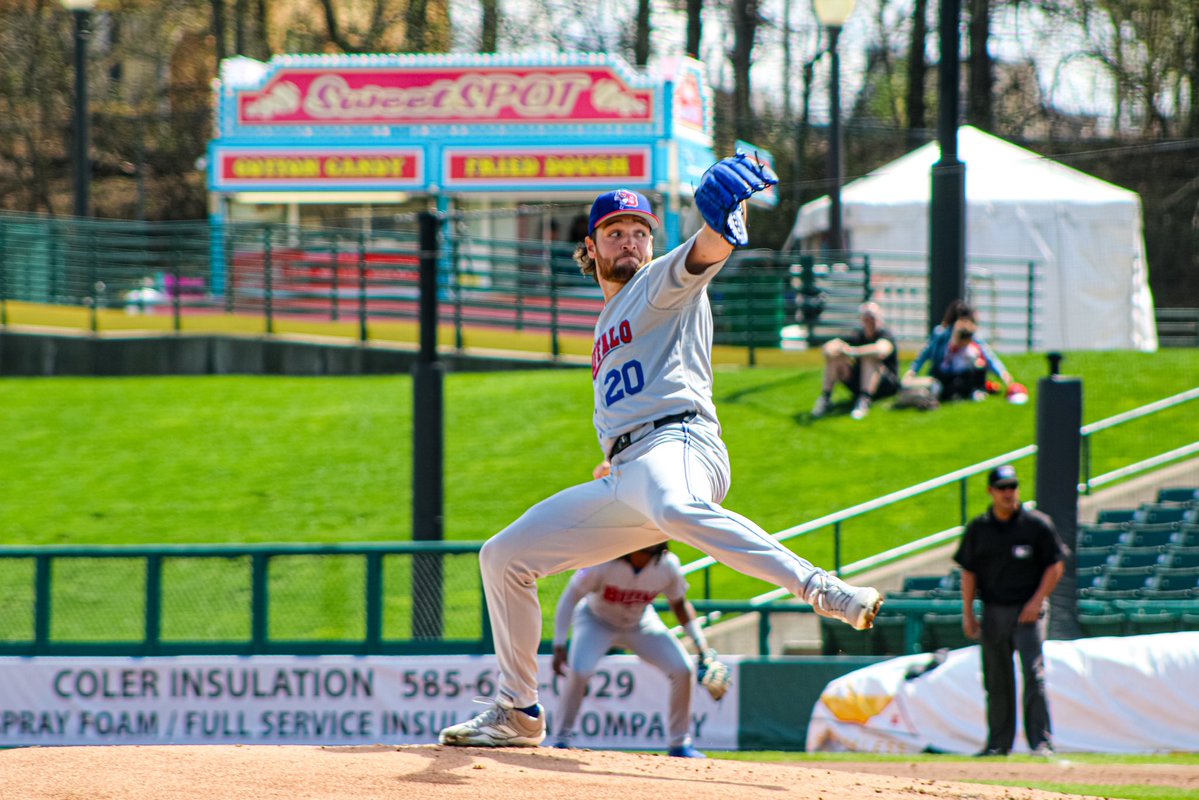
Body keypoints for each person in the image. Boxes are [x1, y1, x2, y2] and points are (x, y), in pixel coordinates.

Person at [437, 155, 883, 749]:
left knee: (672, 507)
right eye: (615, 232)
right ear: (590, 248)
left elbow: (708, 248)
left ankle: (823, 589)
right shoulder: (603, 324)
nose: (630, 240)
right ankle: (518, 709)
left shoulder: (660, 282)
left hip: (682, 440)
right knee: (504, 557)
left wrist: (725, 221)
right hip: (630, 472)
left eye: (640, 231)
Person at [551, 543, 710, 757]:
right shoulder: (603, 559)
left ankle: (679, 743)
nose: (642, 556)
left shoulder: (667, 565)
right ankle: (561, 739)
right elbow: (571, 596)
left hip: (640, 623)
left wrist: (701, 645)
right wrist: (559, 643)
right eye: (640, 549)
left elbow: (679, 604)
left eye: (649, 551)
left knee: (683, 669)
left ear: (657, 552)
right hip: (596, 621)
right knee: (580, 671)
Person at [953, 464, 1067, 757]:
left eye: (1013, 486)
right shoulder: (979, 528)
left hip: (1028, 611)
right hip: (994, 610)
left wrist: (1037, 601)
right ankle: (997, 744)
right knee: (996, 677)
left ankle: (1040, 743)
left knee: (1033, 672)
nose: (1008, 493)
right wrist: (968, 612)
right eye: (1002, 487)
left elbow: (1056, 565)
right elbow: (969, 572)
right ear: (991, 491)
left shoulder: (1036, 524)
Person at [904, 300, 1013, 403]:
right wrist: (913, 371)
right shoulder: (941, 334)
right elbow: (926, 353)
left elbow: (988, 357)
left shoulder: (971, 335)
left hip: (962, 374)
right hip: (943, 374)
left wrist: (1003, 374)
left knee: (979, 366)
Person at [810, 301, 899, 420]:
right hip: (860, 381)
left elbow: (881, 350)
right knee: (836, 359)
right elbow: (829, 349)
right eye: (866, 317)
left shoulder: (885, 335)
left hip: (885, 385)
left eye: (872, 317)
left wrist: (854, 352)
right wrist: (838, 349)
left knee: (869, 357)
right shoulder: (857, 334)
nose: (870, 321)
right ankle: (826, 397)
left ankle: (864, 400)